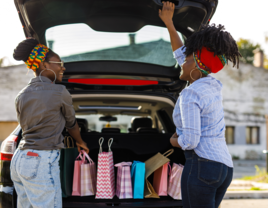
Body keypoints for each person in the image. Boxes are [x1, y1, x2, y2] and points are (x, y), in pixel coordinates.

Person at [159, 2, 241, 208]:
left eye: (186, 59)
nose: (181, 61)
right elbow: (183, 55)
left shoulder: (191, 93)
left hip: (202, 165)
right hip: (224, 168)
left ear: (196, 66)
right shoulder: (210, 85)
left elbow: (191, 141)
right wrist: (169, 23)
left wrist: (173, 141)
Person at [10, 38, 89, 208]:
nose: (63, 67)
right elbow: (71, 124)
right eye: (59, 63)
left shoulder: (21, 95)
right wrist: (80, 142)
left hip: (19, 160)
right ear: (44, 65)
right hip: (40, 159)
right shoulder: (59, 91)